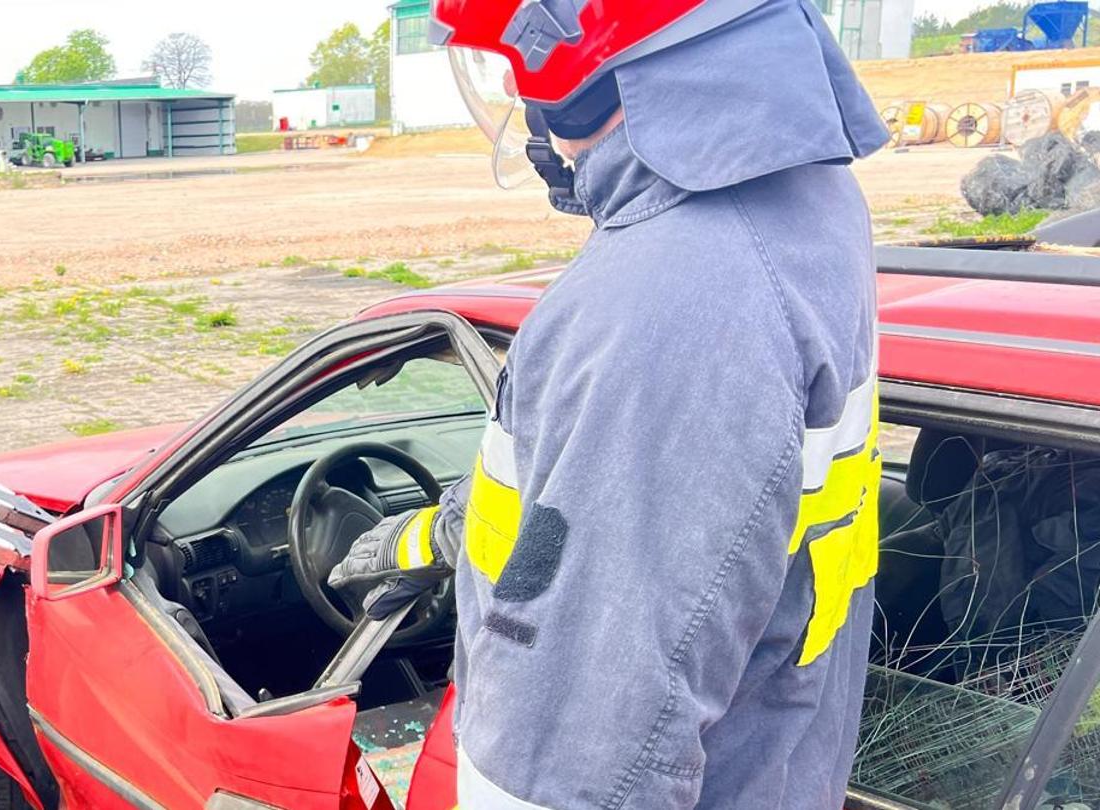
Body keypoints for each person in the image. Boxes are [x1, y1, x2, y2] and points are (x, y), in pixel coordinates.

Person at [329, 1, 890, 806]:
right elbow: (612, 515)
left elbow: (578, 766)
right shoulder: (805, 210)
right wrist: (434, 535)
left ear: (587, 67)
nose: (519, 102)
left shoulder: (670, 303)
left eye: (517, 66)